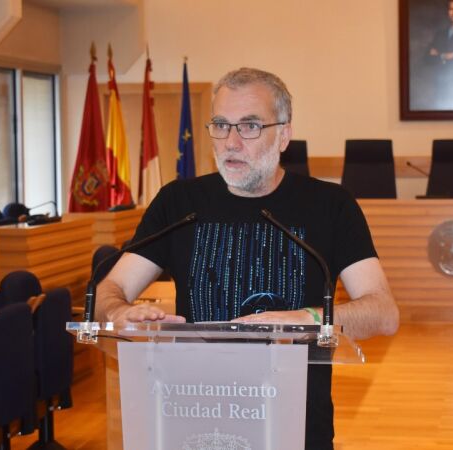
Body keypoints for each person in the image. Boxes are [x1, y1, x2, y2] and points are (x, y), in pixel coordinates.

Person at [96, 67, 399, 449]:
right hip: (194, 422)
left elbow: (383, 311)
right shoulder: (179, 203)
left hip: (296, 429)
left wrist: (307, 319)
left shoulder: (330, 205)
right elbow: (111, 288)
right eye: (221, 125)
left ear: (284, 134)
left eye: (250, 126)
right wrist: (118, 312)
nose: (231, 142)